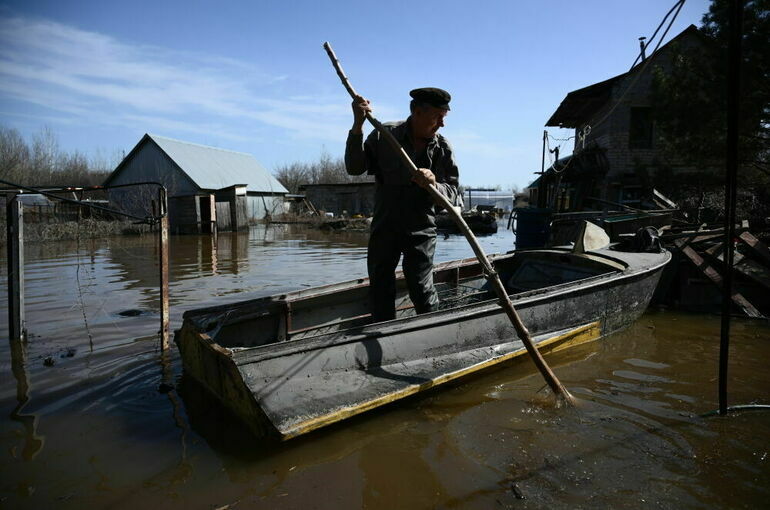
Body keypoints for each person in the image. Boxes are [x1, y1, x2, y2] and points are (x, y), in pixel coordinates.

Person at [345, 87, 460, 322]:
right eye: (438, 117)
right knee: (380, 287)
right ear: (418, 112)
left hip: (421, 230)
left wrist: (434, 183)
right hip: (385, 226)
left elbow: (454, 195)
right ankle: (385, 334)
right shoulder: (384, 135)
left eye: (444, 118)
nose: (442, 124)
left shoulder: (442, 148)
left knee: (421, 287)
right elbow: (354, 168)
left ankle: (432, 333)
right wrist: (358, 125)